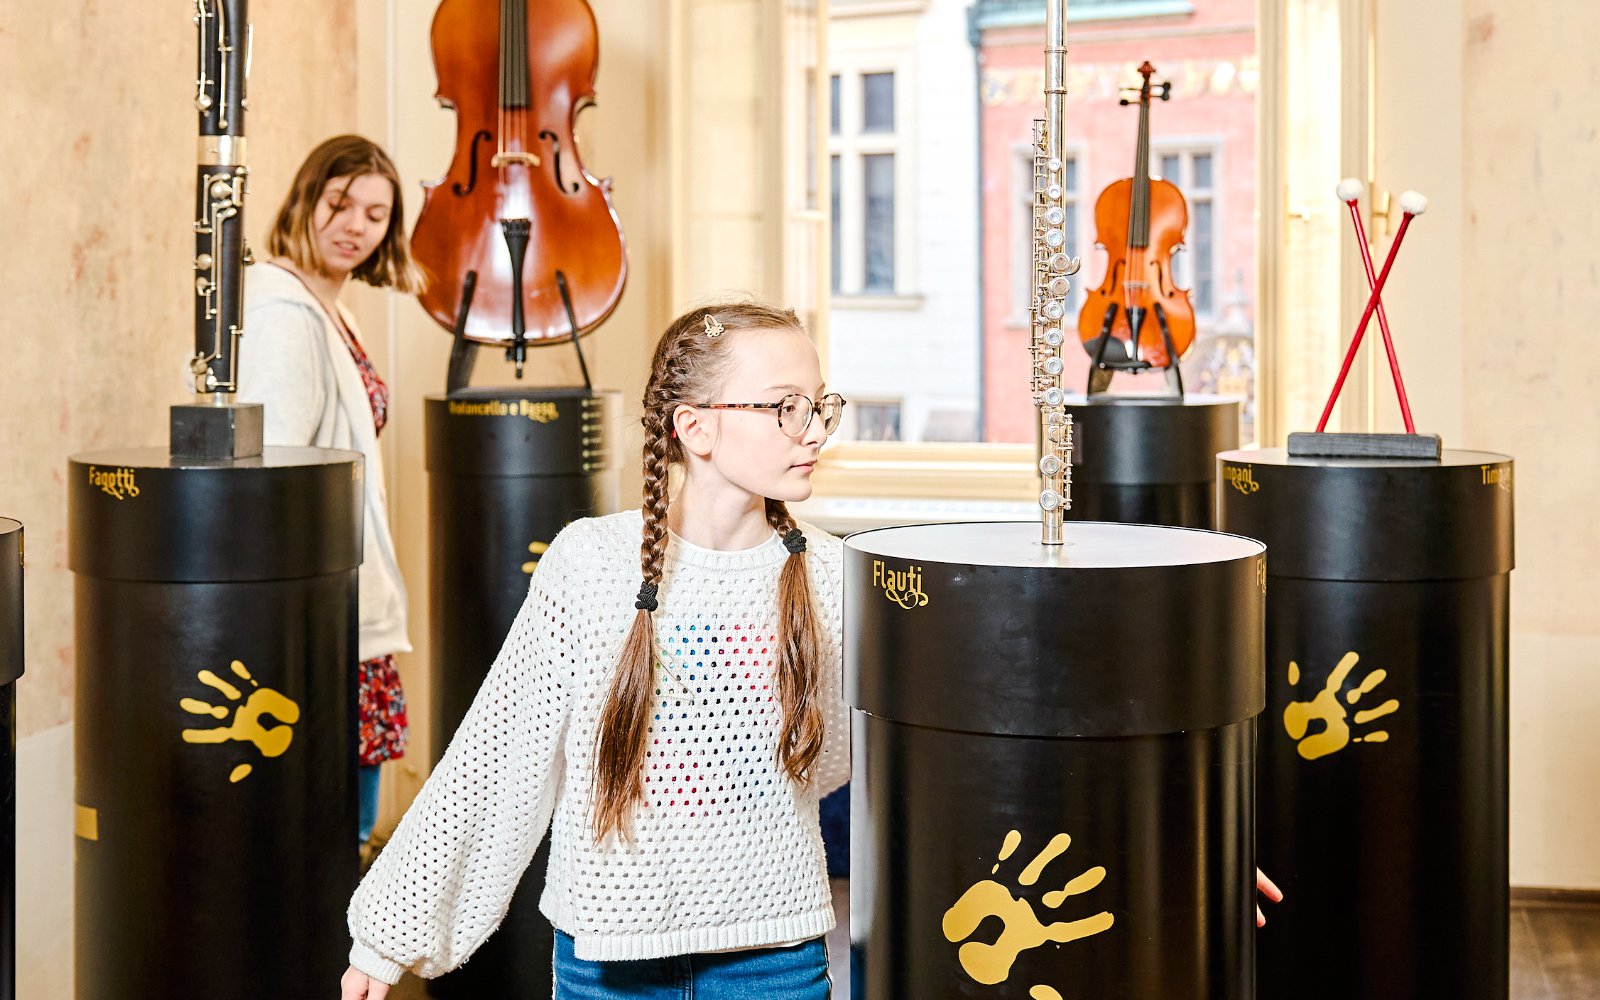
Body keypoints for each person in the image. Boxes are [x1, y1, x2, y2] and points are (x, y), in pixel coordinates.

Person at [341, 302, 850, 999]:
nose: (813, 429)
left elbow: (829, 758)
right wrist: (385, 939)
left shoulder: (829, 577)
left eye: (820, 405)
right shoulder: (589, 565)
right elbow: (500, 756)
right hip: (610, 962)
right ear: (695, 428)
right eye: (786, 407)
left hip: (776, 960)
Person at [239, 134, 423, 850]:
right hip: (316, 614)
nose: (356, 226)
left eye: (376, 214)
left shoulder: (328, 307)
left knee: (345, 833)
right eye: (340, 203)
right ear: (306, 198)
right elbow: (276, 480)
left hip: (344, 604)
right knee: (329, 840)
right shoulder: (286, 313)